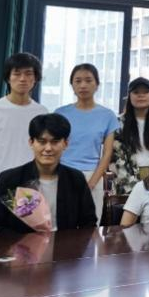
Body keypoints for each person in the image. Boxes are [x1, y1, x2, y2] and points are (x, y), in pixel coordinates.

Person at [0, 114, 98, 236]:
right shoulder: (10, 180)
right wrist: (27, 242)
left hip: (64, 246)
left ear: (65, 144)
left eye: (55, 142)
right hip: (20, 247)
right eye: (42, 142)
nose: (48, 148)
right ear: (31, 142)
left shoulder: (75, 179)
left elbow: (89, 224)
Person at [0, 52, 48, 200]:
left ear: (36, 78)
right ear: (8, 77)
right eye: (17, 73)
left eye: (28, 74)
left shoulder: (42, 112)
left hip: (28, 187)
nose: (22, 79)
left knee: (27, 216)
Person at [54, 64, 116, 220]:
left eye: (88, 80)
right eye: (78, 81)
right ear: (72, 85)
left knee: (90, 226)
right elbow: (53, 147)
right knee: (60, 224)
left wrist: (92, 183)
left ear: (97, 84)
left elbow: (107, 153)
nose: (83, 85)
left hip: (92, 175)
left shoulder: (107, 115)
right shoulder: (60, 113)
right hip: (63, 174)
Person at [110, 77, 149, 196]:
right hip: (125, 183)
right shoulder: (118, 124)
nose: (141, 95)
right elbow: (116, 159)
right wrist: (135, 190)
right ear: (129, 96)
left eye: (146, 92)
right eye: (136, 92)